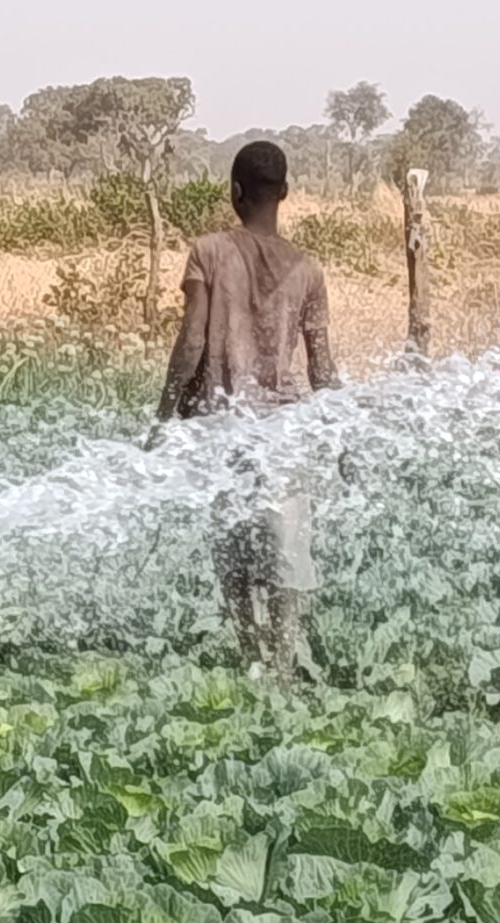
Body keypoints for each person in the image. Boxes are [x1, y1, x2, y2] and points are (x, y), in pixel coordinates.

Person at [153, 140, 338, 679]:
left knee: (232, 548)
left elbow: (190, 342)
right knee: (287, 547)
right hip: (285, 429)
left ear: (234, 192)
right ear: (283, 193)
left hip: (222, 426)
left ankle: (249, 654)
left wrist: (165, 417)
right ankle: (281, 666)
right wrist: (342, 434)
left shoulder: (208, 252)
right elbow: (323, 368)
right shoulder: (307, 269)